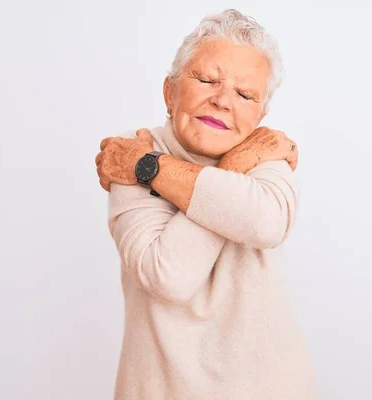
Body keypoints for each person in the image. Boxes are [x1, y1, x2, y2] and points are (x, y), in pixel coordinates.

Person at [95, 9, 317, 399]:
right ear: (170, 91)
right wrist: (232, 167)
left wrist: (150, 171)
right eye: (207, 79)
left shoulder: (267, 153)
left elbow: (266, 223)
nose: (222, 101)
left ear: (260, 115)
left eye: (245, 94)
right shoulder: (134, 149)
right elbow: (168, 274)